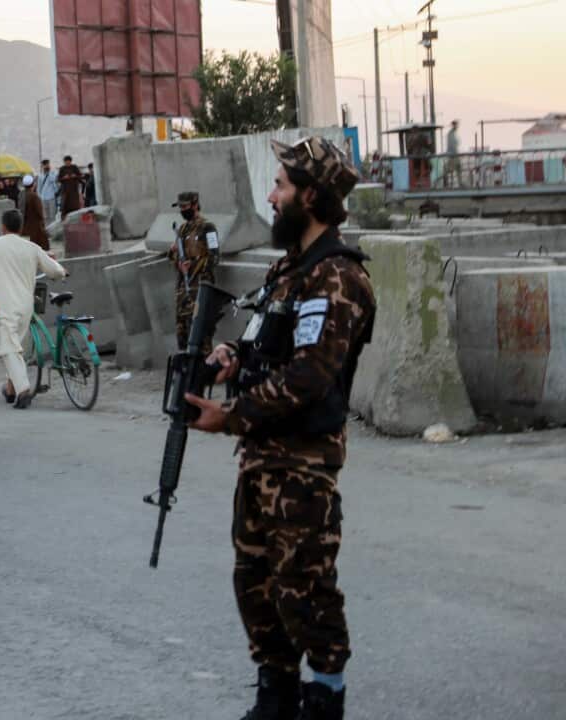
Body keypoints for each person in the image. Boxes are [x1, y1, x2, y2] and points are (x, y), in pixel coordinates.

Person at [184, 136, 373, 720]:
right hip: (263, 459)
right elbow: (276, 345)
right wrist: (234, 359)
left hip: (302, 464)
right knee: (258, 585)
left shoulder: (336, 277)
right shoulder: (290, 270)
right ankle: (276, 697)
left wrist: (232, 416)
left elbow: (311, 375)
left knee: (305, 588)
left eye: (281, 186)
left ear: (310, 196)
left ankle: (324, 698)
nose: (271, 196)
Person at [0, 209, 66, 409]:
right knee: (16, 349)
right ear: (21, 227)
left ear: (3, 227)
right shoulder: (31, 247)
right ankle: (10, 388)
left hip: (3, 305)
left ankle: (23, 389)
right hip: (26, 305)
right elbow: (55, 269)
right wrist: (62, 272)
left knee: (9, 348)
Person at [168, 190, 221, 351]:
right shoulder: (182, 229)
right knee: (183, 335)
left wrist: (199, 272)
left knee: (201, 335)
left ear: (195, 205)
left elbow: (215, 256)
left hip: (199, 289)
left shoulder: (207, 228)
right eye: (180, 207)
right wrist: (177, 260)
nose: (182, 210)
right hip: (183, 291)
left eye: (185, 206)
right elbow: (172, 256)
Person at [18, 174, 50, 251]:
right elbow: (40, 213)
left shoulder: (21, 195)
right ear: (33, 184)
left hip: (25, 227)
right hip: (36, 227)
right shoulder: (34, 196)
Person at [57, 155, 84, 220]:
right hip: (65, 192)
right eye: (66, 161)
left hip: (74, 192)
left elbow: (80, 176)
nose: (67, 163)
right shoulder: (62, 169)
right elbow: (58, 179)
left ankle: (76, 219)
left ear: (70, 161)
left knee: (75, 207)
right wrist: (64, 178)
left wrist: (75, 176)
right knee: (65, 207)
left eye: (68, 161)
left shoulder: (74, 167)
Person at [445, 120, 462, 188]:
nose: (457, 126)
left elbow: (457, 143)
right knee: (449, 170)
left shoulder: (454, 133)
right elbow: (451, 145)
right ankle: (448, 184)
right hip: (453, 155)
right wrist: (452, 154)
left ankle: (459, 183)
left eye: (457, 125)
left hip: (456, 154)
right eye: (455, 125)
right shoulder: (450, 134)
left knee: (458, 168)